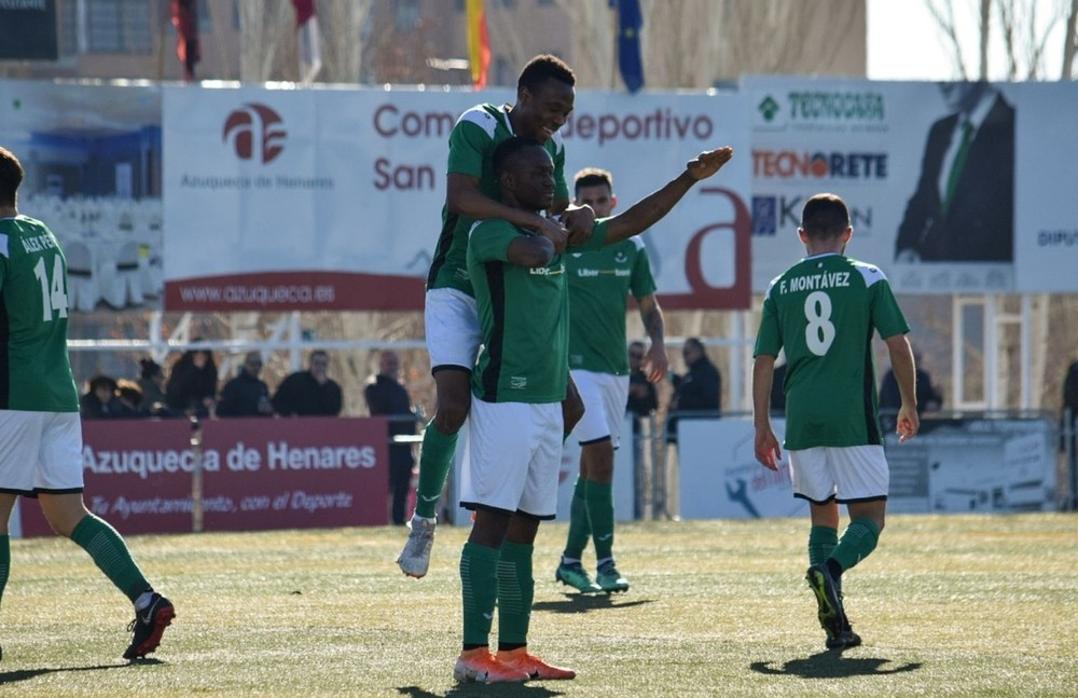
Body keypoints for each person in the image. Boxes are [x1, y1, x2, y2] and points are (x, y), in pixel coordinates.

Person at [452, 136, 734, 683]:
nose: (551, 185)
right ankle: (471, 653)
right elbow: (534, 253)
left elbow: (629, 224)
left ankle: (513, 652)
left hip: (546, 403)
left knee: (525, 532)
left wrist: (688, 178)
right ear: (509, 183)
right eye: (540, 176)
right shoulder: (490, 231)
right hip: (503, 397)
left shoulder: (555, 230)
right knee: (490, 527)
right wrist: (557, 224)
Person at [397, 54, 596, 578]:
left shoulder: (550, 148)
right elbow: (461, 198)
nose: (559, 119)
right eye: (553, 107)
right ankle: (423, 520)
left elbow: (556, 217)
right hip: (457, 285)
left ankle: (502, 511)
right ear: (524, 95)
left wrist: (577, 214)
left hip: (509, 292)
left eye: (567, 111)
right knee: (453, 406)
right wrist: (534, 219)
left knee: (570, 409)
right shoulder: (479, 122)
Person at [0, 146, 174, 660]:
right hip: (58, 393)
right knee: (68, 514)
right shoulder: (45, 236)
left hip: (14, 395)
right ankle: (147, 600)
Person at [752, 192, 919, 650]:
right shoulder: (866, 277)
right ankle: (832, 571)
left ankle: (836, 624)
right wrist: (909, 402)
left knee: (821, 515)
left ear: (802, 236)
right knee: (870, 520)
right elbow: (897, 343)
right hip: (851, 417)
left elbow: (764, 360)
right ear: (848, 234)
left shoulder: (780, 286)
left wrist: (761, 424)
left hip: (802, 419)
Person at [556, 167, 667, 595]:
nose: (595, 210)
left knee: (593, 469)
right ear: (572, 207)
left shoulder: (630, 246)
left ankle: (569, 561)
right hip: (574, 368)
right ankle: (605, 563)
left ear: (613, 204)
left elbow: (648, 305)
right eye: (586, 203)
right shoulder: (562, 245)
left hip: (615, 372)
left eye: (602, 202)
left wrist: (657, 343)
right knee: (600, 456)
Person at [894, 81, 1014, 263]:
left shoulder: (1013, 128)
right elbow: (924, 195)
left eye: (954, 74)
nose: (943, 83)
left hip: (989, 276)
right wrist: (907, 247)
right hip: (935, 270)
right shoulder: (941, 130)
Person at [364, 351, 418, 526]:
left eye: (394, 362)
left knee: (402, 487)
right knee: (386, 486)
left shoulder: (401, 388)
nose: (392, 365)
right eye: (388, 362)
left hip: (404, 446)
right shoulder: (374, 387)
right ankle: (380, 520)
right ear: (381, 364)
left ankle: (398, 520)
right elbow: (379, 410)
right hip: (386, 446)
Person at [666, 338, 721, 444]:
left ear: (698, 352)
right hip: (687, 430)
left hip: (699, 430)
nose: (684, 357)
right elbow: (685, 386)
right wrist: (671, 376)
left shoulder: (707, 372)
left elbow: (709, 401)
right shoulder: (694, 372)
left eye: (686, 353)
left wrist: (680, 403)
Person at [272, 350, 342, 417]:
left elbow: (334, 411)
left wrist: (323, 388)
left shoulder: (333, 388)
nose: (320, 367)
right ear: (310, 364)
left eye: (323, 364)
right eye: (316, 363)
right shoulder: (296, 380)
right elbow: (278, 402)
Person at [216, 352, 273, 418]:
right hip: (237, 425)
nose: (256, 367)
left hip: (258, 425)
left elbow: (268, 412)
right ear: (246, 364)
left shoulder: (262, 386)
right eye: (253, 364)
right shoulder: (233, 385)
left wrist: (268, 410)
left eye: (259, 364)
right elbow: (221, 411)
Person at [165, 347, 217, 417]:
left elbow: (210, 390)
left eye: (203, 354)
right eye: (196, 353)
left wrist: (208, 399)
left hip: (201, 409)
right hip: (179, 407)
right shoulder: (181, 367)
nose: (200, 357)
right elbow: (176, 389)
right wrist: (194, 369)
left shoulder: (210, 368)